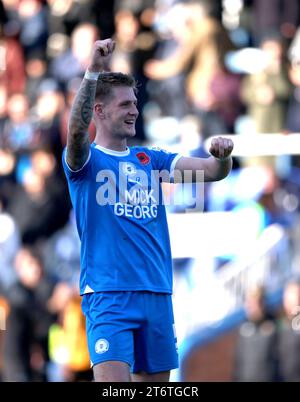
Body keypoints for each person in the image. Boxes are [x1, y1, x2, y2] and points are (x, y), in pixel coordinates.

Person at [62, 38, 234, 382]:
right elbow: (77, 130)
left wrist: (222, 157)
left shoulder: (151, 160)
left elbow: (213, 173)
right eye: (125, 104)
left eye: (135, 103)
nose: (134, 110)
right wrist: (93, 70)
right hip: (109, 296)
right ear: (99, 111)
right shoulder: (85, 162)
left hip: (157, 293)